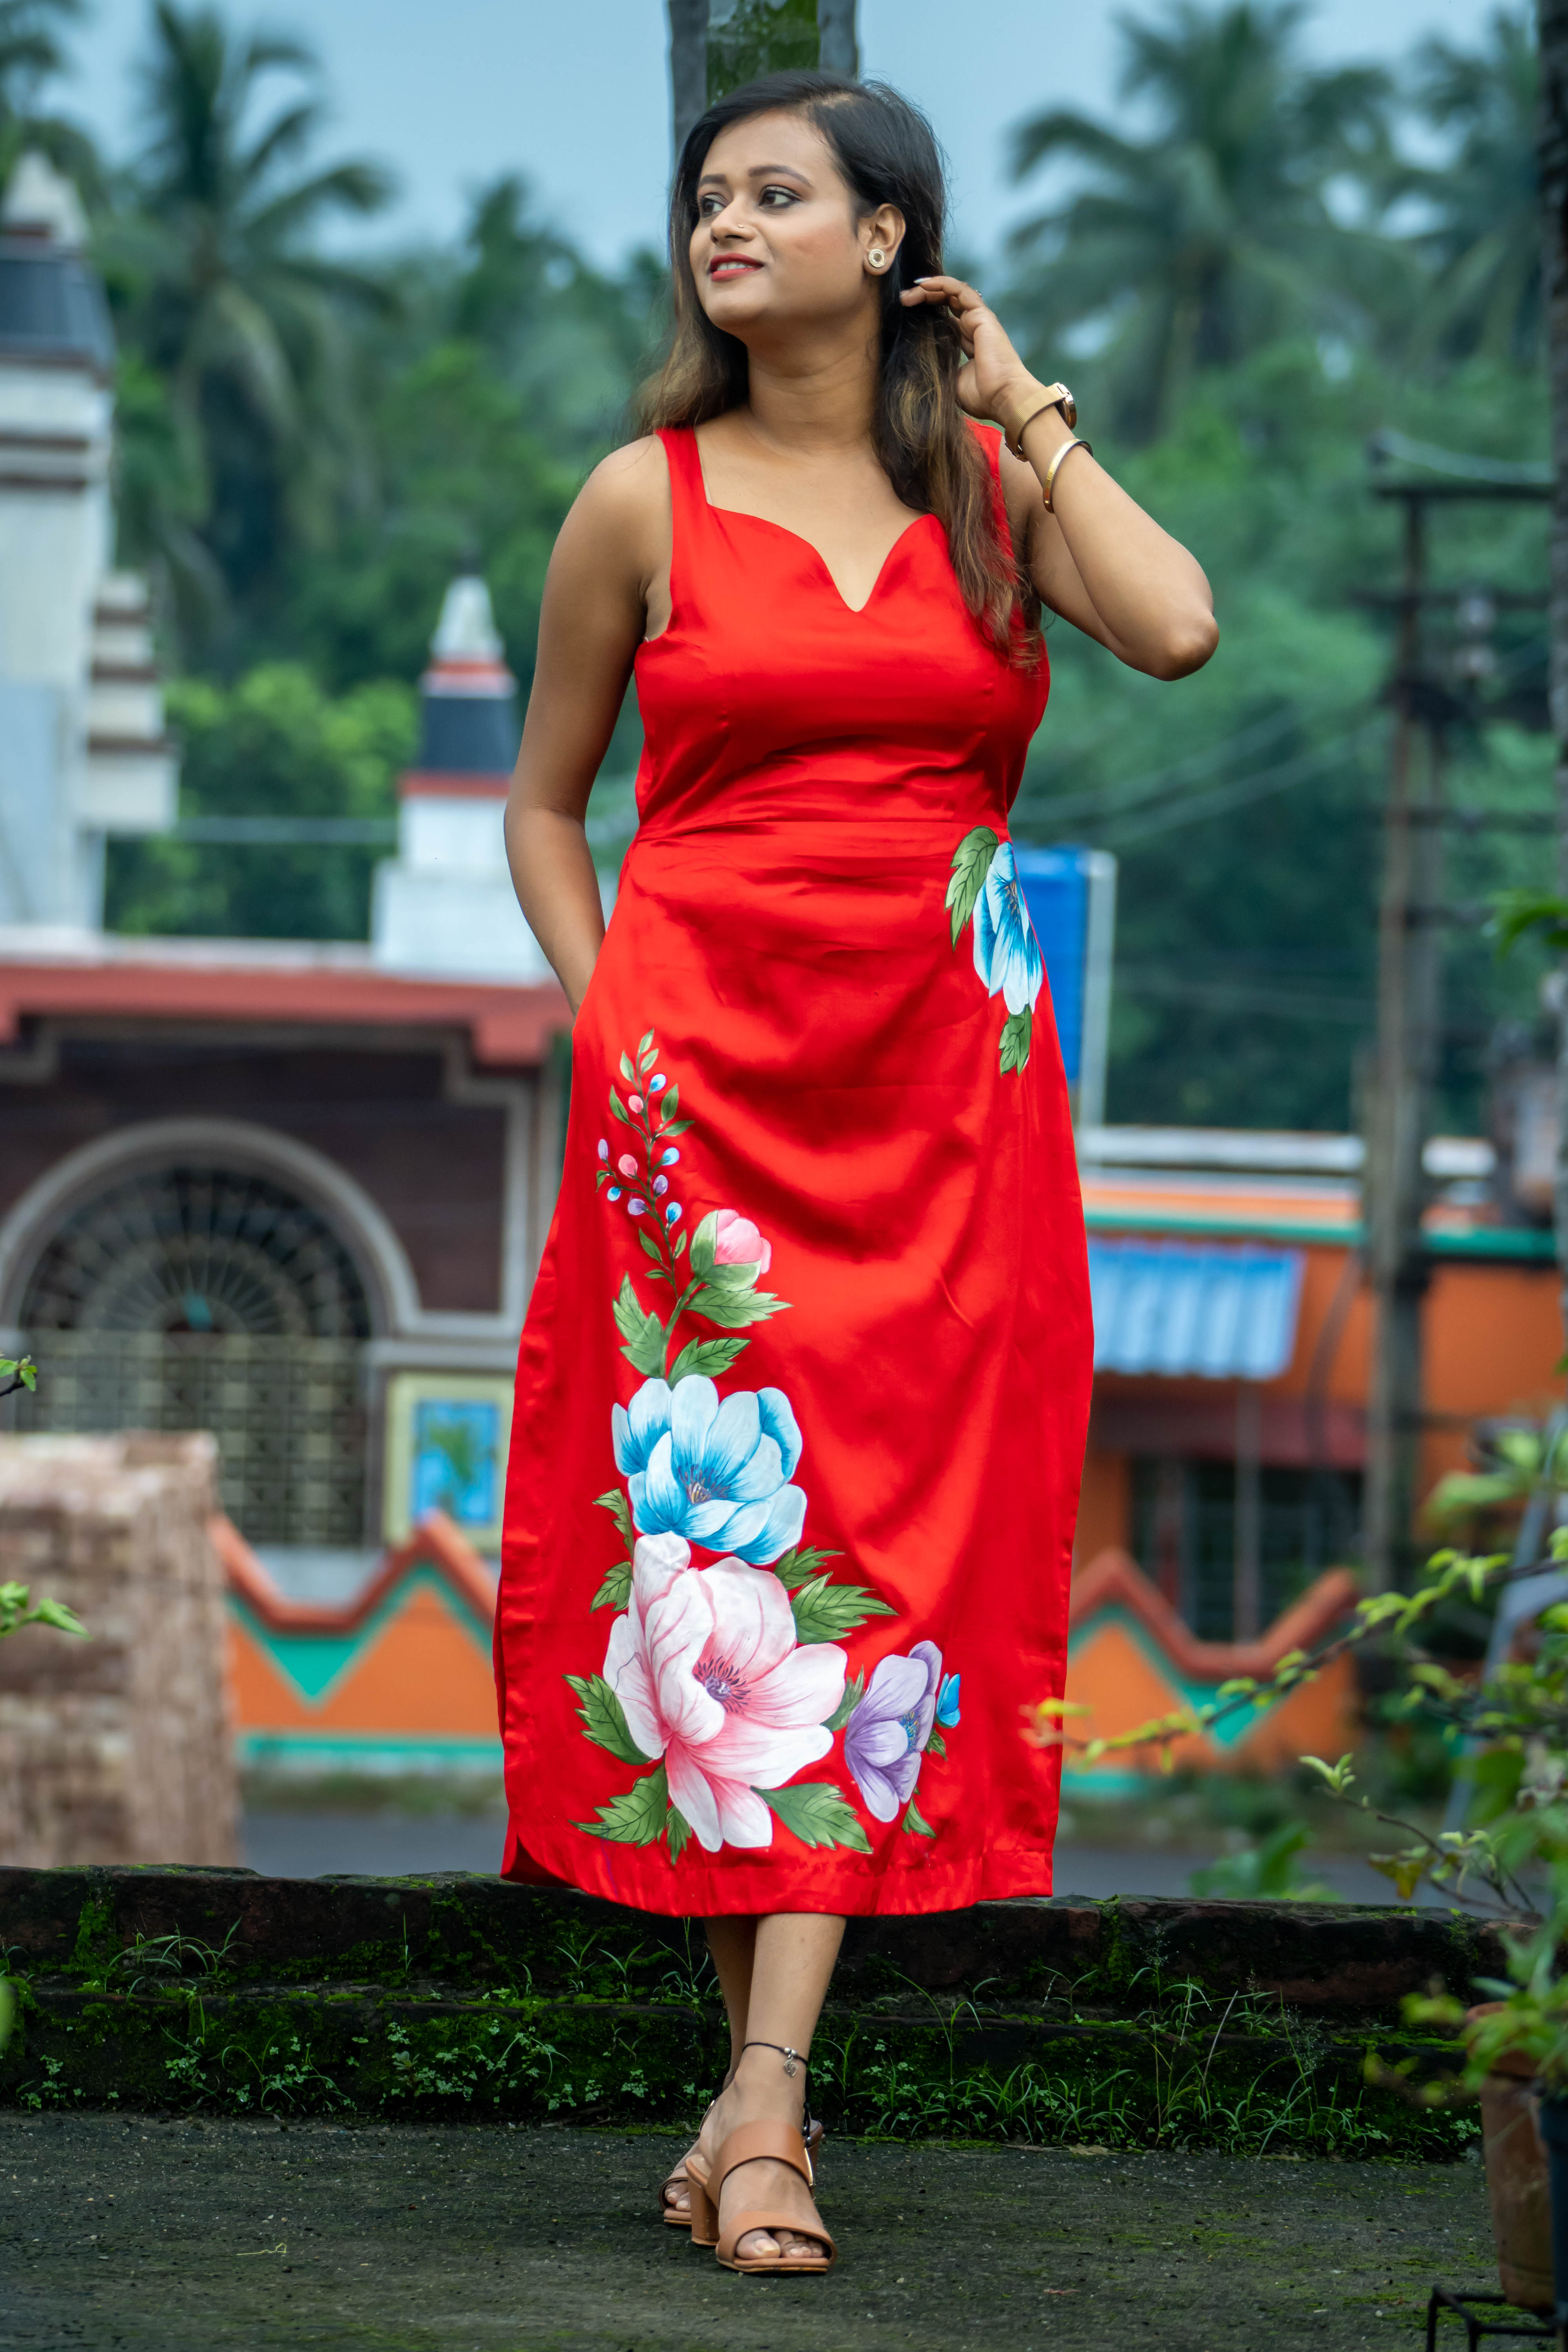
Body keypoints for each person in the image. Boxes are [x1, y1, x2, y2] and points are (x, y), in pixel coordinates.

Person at [496, 70, 1217, 2276]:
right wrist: (602, 1006)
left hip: (947, 1093)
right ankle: (777, 2118)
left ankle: (755, 2106)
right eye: (709, 195)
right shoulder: (640, 497)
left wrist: (1021, 404)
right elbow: (546, 806)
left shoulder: (995, 488)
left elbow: (1176, 627)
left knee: (878, 1561)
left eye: (779, 192)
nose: (728, 223)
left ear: (891, 236)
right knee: (724, 1578)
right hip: (695, 1092)